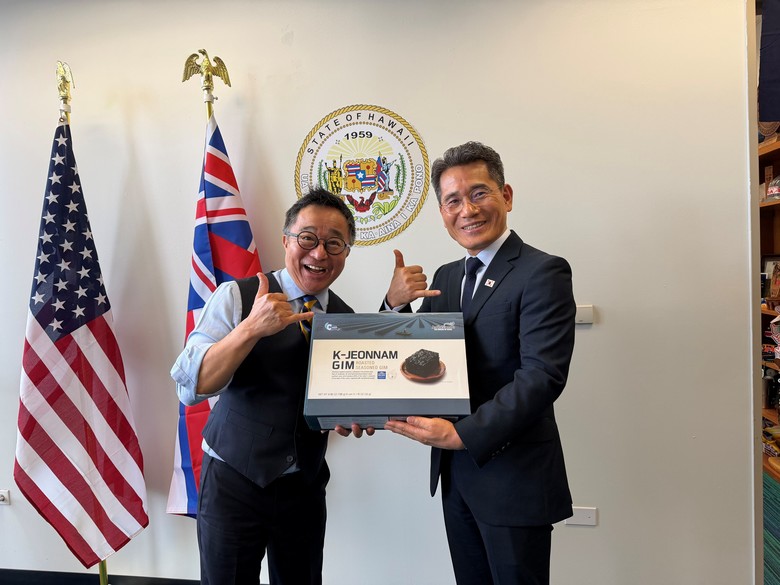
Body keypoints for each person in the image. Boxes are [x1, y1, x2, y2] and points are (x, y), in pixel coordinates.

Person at [383, 141, 575, 585]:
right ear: (442, 212)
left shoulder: (542, 272)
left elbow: (541, 376)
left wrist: (462, 434)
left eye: (479, 193)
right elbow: (414, 358)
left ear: (506, 196)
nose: (467, 210)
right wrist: (394, 305)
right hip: (457, 480)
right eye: (453, 200)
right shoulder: (447, 277)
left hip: (513, 479)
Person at [171, 187, 372, 585]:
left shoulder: (345, 318)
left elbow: (347, 395)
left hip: (304, 486)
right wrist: (249, 329)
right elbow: (191, 388)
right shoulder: (237, 296)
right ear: (286, 241)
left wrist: (352, 414)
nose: (319, 254)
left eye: (334, 243)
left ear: (346, 252)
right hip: (233, 482)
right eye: (308, 239)